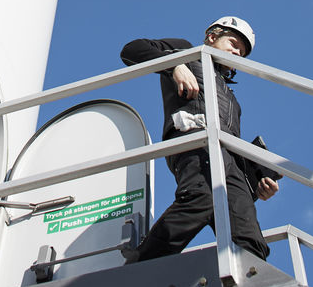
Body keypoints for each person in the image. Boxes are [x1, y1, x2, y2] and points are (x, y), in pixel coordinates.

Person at [120, 16, 279, 263]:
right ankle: (142, 264)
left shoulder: (232, 100)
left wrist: (257, 180)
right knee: (203, 196)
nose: (237, 52)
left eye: (242, 52)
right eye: (234, 43)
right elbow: (132, 50)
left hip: (229, 160)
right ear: (212, 36)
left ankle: (251, 277)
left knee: (246, 227)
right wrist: (174, 65)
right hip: (194, 143)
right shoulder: (186, 53)